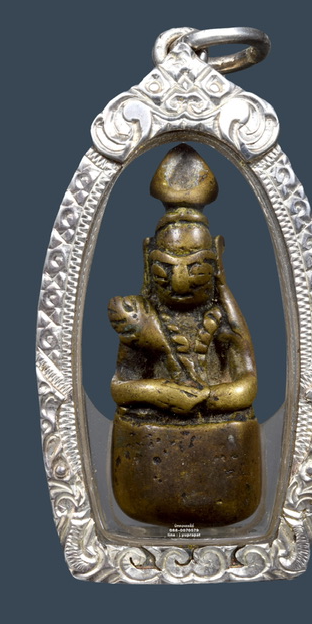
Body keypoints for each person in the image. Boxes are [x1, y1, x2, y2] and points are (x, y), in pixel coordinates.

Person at [109, 144, 261, 527]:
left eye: (196, 268)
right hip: (151, 451)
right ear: (148, 259)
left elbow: (248, 385)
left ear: (217, 260)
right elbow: (121, 387)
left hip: (224, 453)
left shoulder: (220, 317)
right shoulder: (144, 318)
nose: (179, 282)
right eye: (166, 268)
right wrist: (159, 392)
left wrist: (209, 397)